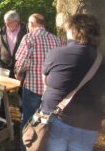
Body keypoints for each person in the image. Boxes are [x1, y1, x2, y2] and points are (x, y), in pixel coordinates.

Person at [41, 14, 105, 151]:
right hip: (88, 123)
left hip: (58, 120)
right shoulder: (102, 60)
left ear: (75, 31)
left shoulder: (56, 54)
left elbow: (45, 81)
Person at [14, 13, 62, 150]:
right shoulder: (57, 40)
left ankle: (26, 147)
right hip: (51, 90)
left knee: (28, 120)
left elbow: (20, 61)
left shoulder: (29, 37)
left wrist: (18, 74)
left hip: (32, 87)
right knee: (47, 122)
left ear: (31, 24)